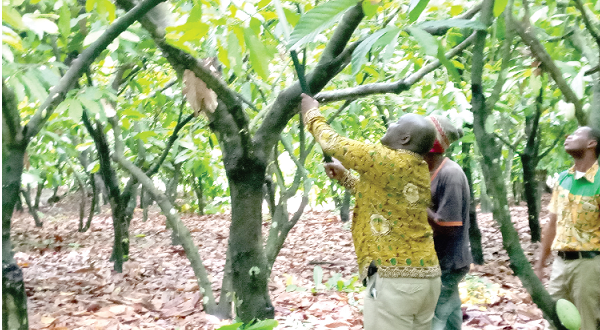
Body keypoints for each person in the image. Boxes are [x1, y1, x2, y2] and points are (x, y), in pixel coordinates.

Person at [300, 94, 441, 330]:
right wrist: (346, 178)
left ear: (405, 138)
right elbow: (382, 204)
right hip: (427, 279)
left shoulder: (387, 159)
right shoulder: (417, 168)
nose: (389, 124)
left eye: (396, 123)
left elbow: (334, 144)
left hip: (397, 281)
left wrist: (311, 113)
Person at [534, 126, 600, 330]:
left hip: (589, 266)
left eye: (576, 134)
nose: (568, 137)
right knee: (555, 322)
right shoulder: (563, 179)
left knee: (587, 324)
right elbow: (552, 224)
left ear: (591, 143)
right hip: (560, 264)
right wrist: (540, 264)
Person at [423, 115, 472, 330]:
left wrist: (413, 204)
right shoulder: (428, 170)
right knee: (450, 314)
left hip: (447, 264)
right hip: (439, 261)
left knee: (433, 318)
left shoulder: (450, 174)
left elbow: (448, 227)